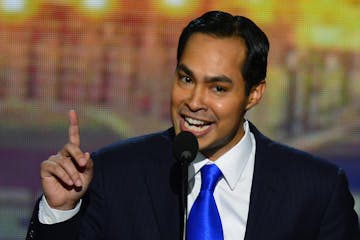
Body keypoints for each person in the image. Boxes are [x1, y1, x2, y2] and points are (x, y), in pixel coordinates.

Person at [26, 10, 359, 240]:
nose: (194, 101)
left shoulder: (317, 189)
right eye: (186, 78)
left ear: (254, 93)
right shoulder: (114, 173)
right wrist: (60, 211)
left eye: (218, 88)